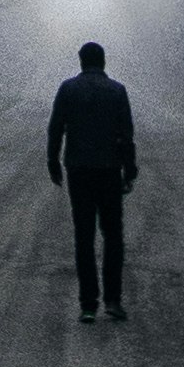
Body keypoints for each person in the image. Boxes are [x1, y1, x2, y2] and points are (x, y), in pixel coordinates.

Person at [46, 40, 137, 322]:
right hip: (109, 171)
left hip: (79, 170)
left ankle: (88, 304)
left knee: (83, 236)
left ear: (81, 62)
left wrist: (53, 162)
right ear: (104, 61)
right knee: (113, 236)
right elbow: (126, 134)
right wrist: (129, 170)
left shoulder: (68, 89)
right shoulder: (117, 91)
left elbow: (55, 128)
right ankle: (112, 299)